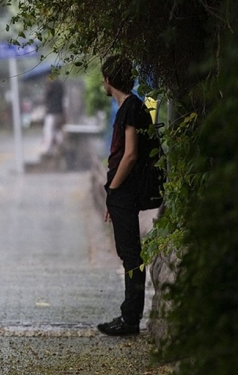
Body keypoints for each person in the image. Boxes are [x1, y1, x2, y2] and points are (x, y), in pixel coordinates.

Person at [97, 55, 153, 336]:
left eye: (103, 77)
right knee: (128, 253)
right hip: (122, 193)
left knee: (131, 255)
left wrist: (114, 188)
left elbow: (129, 155)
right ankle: (130, 315)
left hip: (126, 190)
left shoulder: (130, 108)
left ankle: (130, 318)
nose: (102, 83)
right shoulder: (131, 107)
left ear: (109, 79)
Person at [40, 77, 65, 156]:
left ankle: (47, 149)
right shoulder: (60, 84)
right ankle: (60, 146)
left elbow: (46, 96)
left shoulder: (50, 85)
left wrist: (47, 86)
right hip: (59, 111)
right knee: (56, 129)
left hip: (52, 111)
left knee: (49, 129)